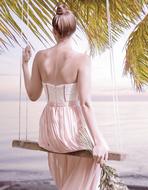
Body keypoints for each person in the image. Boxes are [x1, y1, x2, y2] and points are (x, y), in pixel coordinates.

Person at [21, 3, 110, 189]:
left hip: (49, 131)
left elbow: (33, 94)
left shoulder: (40, 57)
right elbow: (85, 103)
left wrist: (24, 64)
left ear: (54, 30)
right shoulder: (82, 60)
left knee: (75, 167)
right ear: (74, 30)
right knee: (94, 163)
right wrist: (99, 140)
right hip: (70, 130)